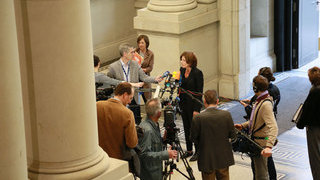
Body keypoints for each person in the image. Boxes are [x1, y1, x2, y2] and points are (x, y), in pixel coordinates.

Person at [240, 67, 280, 180]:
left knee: (261, 175)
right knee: (257, 172)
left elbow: (274, 127)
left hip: (261, 144)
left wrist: (268, 146)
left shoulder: (265, 104)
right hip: (256, 142)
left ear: (255, 88)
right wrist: (243, 125)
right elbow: (255, 120)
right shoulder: (259, 100)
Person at [107, 43, 162, 125]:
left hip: (133, 98)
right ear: (125, 54)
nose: (134, 54)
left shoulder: (135, 64)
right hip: (120, 100)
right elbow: (111, 82)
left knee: (136, 122)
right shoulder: (113, 67)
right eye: (132, 52)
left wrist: (155, 79)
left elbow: (144, 77)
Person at [191, 90, 236, 180]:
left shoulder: (198, 118)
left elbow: (193, 138)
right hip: (223, 157)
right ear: (217, 101)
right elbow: (233, 136)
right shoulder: (226, 115)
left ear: (204, 102)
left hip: (206, 158)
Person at [96, 82, 138, 160]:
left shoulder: (97, 105)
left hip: (98, 158)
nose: (130, 102)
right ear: (125, 95)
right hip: (117, 160)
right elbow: (132, 143)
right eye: (130, 98)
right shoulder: (127, 113)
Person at [138, 98, 178, 180]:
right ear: (159, 114)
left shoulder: (154, 124)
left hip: (155, 170)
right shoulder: (148, 130)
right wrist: (166, 154)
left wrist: (163, 140)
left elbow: (153, 144)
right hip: (150, 174)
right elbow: (144, 154)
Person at [179, 51, 204, 161]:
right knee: (186, 127)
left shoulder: (197, 73)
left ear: (190, 61)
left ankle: (198, 151)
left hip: (193, 105)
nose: (182, 62)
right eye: (181, 59)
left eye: (184, 60)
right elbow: (181, 87)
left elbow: (199, 92)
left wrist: (196, 109)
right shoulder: (182, 70)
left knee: (194, 129)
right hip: (184, 104)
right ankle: (189, 150)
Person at [296, 66, 320, 180]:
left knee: (315, 157)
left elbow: (307, 110)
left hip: (314, 128)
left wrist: (299, 124)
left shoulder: (314, 91)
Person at [135, 35, 154, 103]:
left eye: (142, 43)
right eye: (139, 43)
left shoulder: (150, 54)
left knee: (147, 99)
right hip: (135, 78)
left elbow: (150, 68)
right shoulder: (134, 52)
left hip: (145, 77)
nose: (140, 44)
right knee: (135, 99)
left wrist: (143, 70)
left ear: (146, 43)